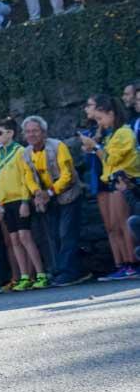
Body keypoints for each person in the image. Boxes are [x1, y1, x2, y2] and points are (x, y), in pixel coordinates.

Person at [20, 115, 91, 286]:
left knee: (66, 233)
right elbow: (28, 177)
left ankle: (68, 272)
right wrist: (37, 193)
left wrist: (49, 193)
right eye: (28, 132)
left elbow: (67, 175)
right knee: (54, 235)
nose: (31, 134)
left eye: (35, 131)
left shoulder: (58, 146)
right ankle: (69, 270)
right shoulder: (26, 153)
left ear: (43, 132)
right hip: (48, 199)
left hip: (68, 195)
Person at [78, 94, 140, 280]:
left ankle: (132, 263)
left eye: (101, 118)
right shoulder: (112, 134)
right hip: (112, 181)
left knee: (124, 224)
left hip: (124, 181)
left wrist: (96, 147)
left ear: (111, 113)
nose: (100, 122)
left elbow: (111, 159)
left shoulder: (124, 133)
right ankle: (122, 263)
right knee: (114, 225)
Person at [0, 118, 49, 291]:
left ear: (10, 133)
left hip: (19, 200)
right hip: (5, 202)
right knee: (14, 239)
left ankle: (40, 273)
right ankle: (24, 276)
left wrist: (25, 201)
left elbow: (26, 178)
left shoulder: (20, 151)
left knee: (25, 237)